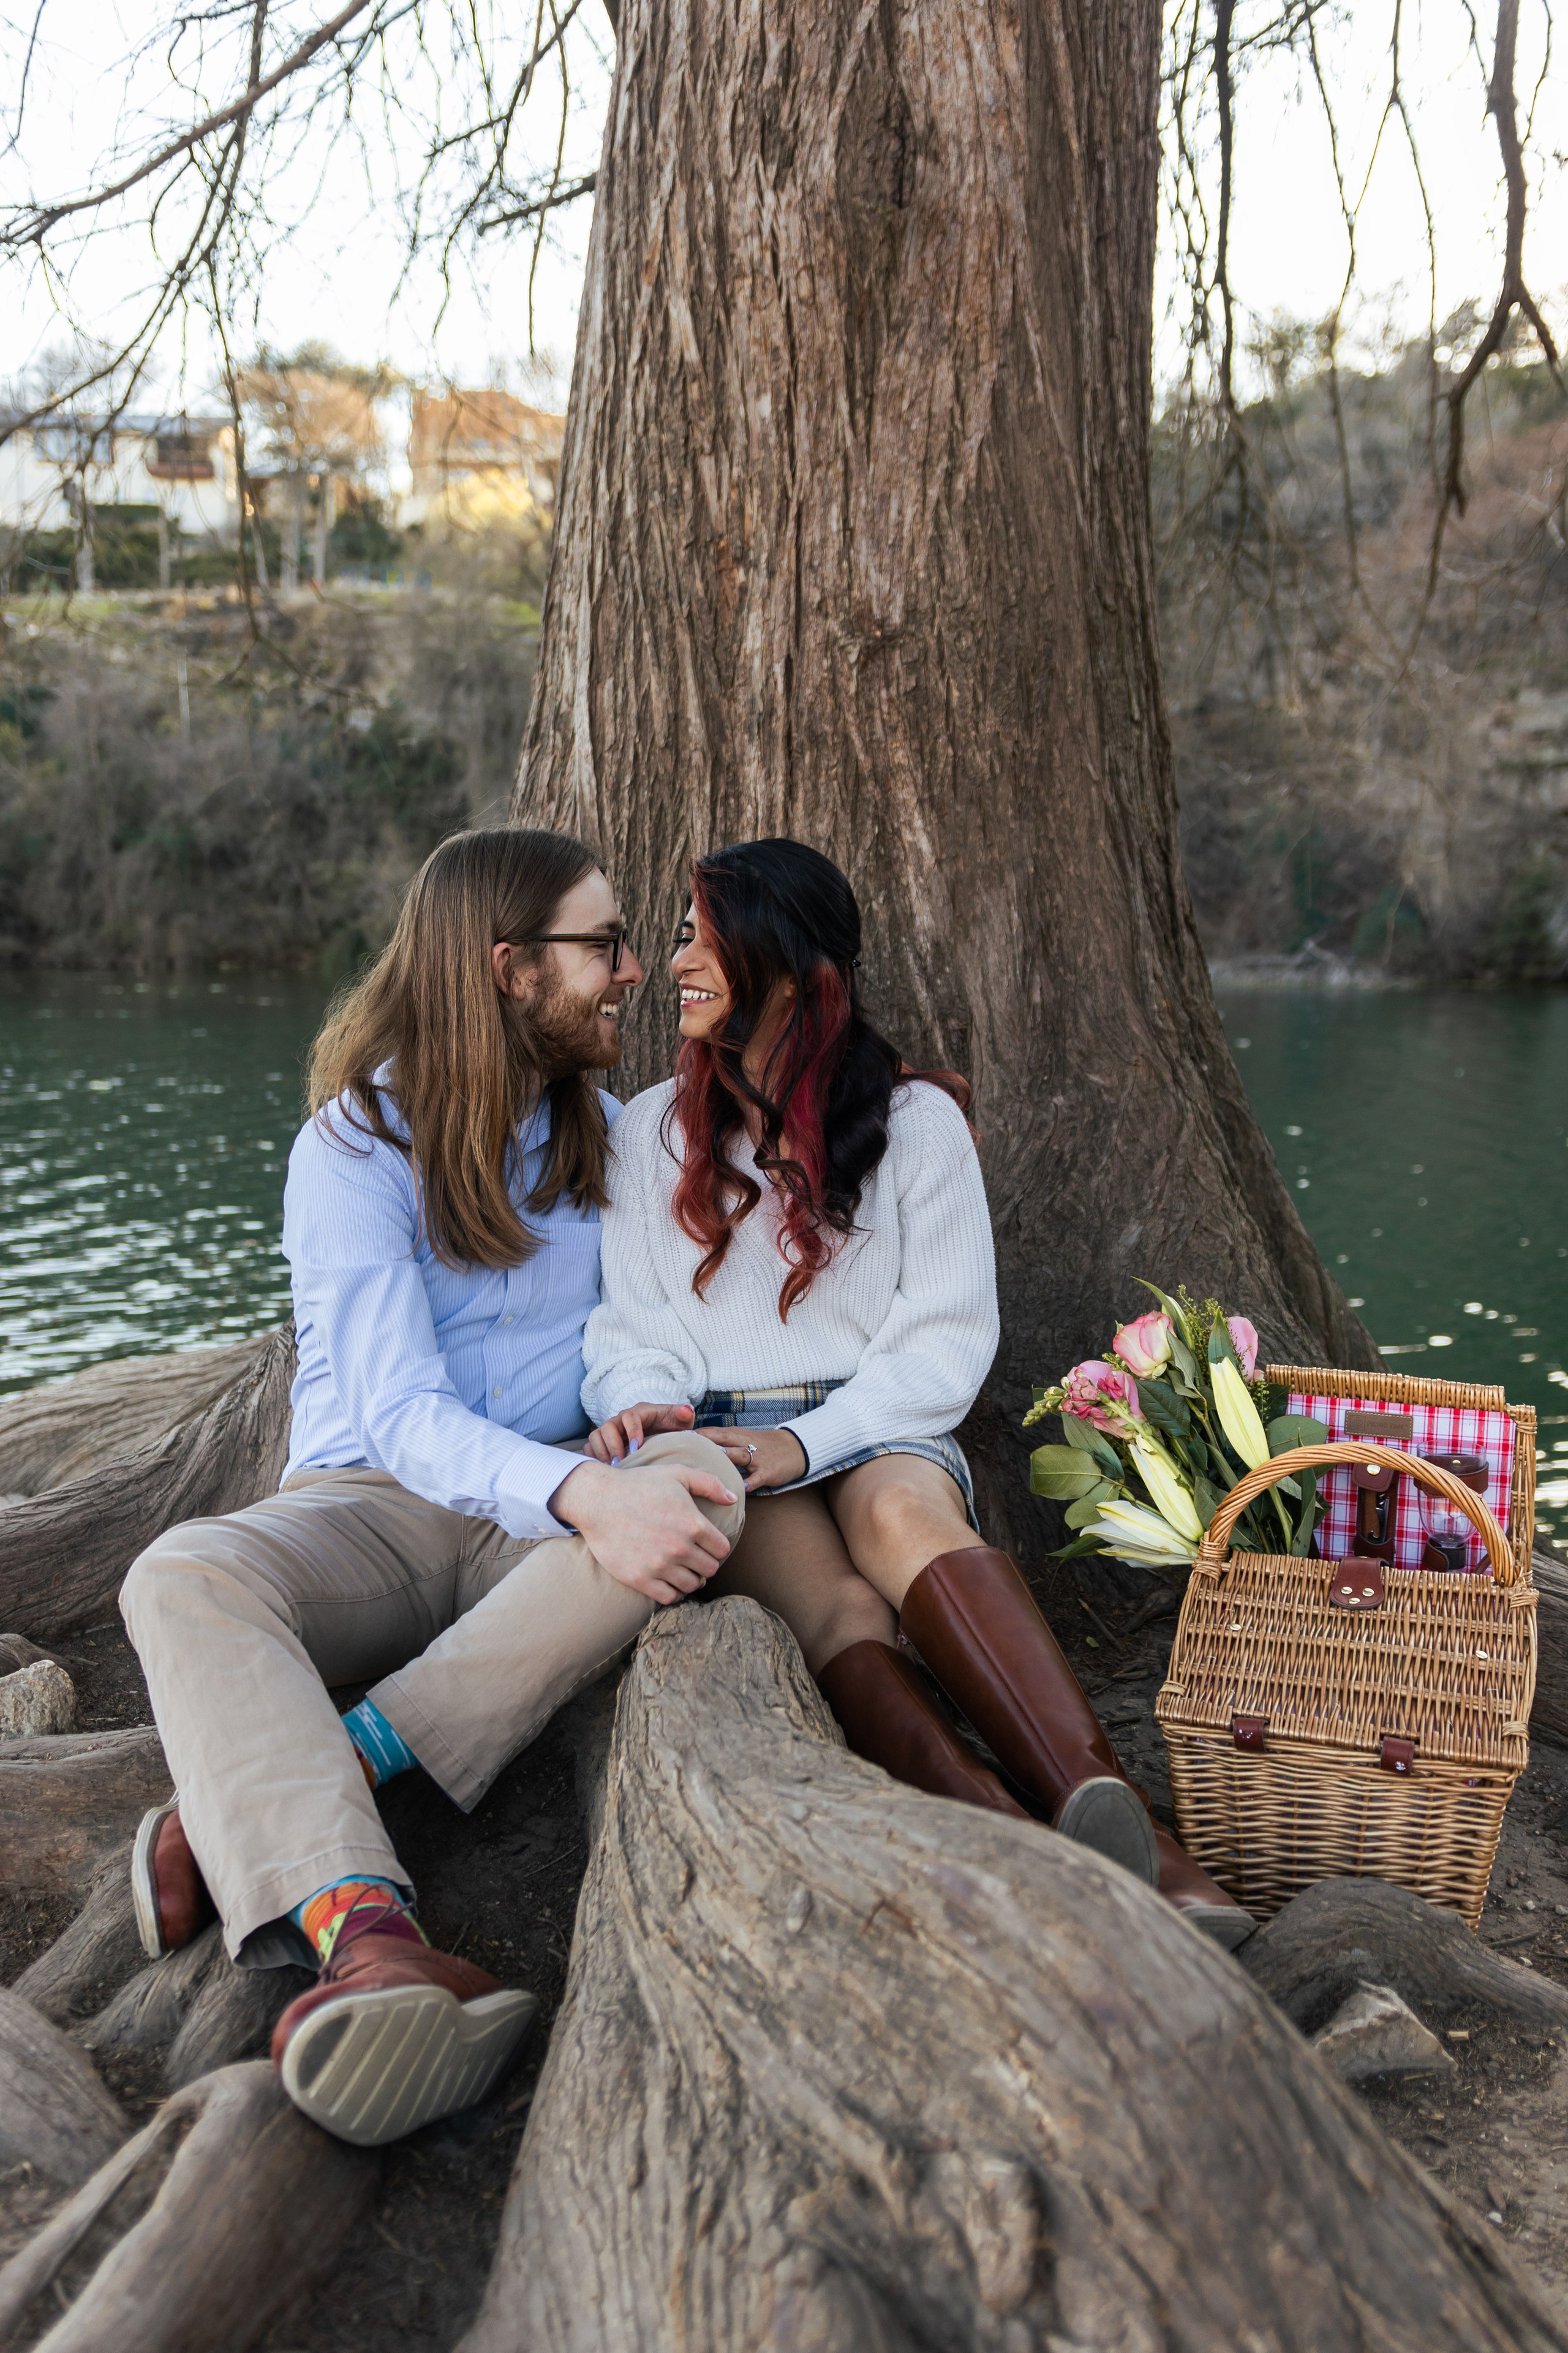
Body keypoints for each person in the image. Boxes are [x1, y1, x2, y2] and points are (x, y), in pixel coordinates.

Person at [119, 829, 744, 2147]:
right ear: (510, 969)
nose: (633, 969)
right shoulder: (356, 1146)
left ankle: (328, 1761)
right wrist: (578, 1494)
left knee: (701, 1478)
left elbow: (666, 1312)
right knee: (180, 1572)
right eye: (603, 944)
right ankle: (369, 1939)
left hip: (548, 1519)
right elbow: (401, 1414)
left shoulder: (614, 1138)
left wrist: (632, 1407)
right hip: (375, 1508)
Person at [581, 838, 1249, 1946]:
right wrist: (649, 1403)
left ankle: (1127, 1826)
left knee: (901, 1513)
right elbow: (631, 1329)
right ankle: (1013, 1844)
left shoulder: (916, 1124)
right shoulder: (649, 1132)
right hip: (726, 1437)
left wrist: (812, 1442)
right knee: (843, 1611)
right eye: (682, 935)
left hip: (882, 1418)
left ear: (787, 964)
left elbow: (943, 1344)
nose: (678, 961)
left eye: (705, 937)